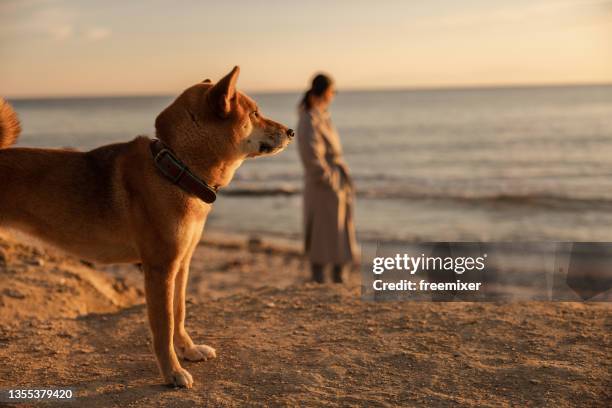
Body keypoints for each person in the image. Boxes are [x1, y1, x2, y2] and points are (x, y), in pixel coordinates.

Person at [297, 73, 359, 283]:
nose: (333, 96)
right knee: (323, 241)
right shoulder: (309, 119)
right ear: (324, 92)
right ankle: (323, 283)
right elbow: (311, 158)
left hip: (332, 184)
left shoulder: (321, 116)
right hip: (323, 188)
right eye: (332, 92)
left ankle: (336, 279)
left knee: (338, 237)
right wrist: (330, 181)